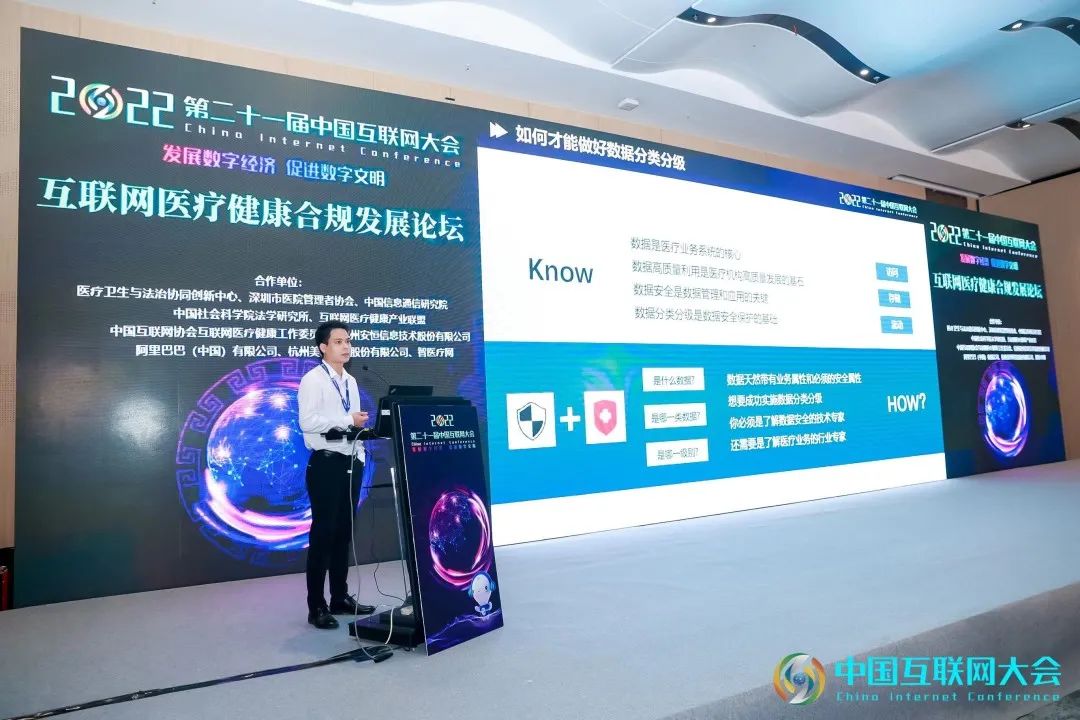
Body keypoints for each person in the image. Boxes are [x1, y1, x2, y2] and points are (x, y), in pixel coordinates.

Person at [297, 321, 377, 629]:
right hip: (326, 464)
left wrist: (360, 450)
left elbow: (352, 424)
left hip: (350, 463)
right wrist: (347, 419)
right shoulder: (313, 380)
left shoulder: (350, 381)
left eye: (348, 341)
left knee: (343, 533)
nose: (346, 346)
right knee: (323, 535)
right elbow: (308, 422)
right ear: (323, 347)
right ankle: (316, 606)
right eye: (339, 341)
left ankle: (340, 598)